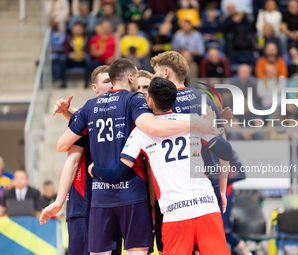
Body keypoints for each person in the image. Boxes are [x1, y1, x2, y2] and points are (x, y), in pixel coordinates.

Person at [56, 58, 215, 255]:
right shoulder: (136, 105)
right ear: (130, 78)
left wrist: (74, 116)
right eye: (138, 85)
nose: (140, 90)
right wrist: (197, 123)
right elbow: (152, 126)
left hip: (102, 196)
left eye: (146, 87)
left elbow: (61, 144)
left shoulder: (90, 107)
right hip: (138, 194)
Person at [88, 77, 232, 255]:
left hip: (175, 214)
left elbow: (117, 174)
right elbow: (226, 153)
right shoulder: (192, 121)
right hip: (207, 206)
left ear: (150, 101)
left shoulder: (141, 132)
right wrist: (213, 130)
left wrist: (93, 169)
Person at [40, 65, 123, 255]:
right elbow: (71, 158)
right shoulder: (88, 117)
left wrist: (70, 112)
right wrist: (58, 202)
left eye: (113, 80)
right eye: (106, 81)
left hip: (113, 200)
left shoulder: (118, 115)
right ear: (94, 88)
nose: (111, 85)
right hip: (83, 199)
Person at [60, 22, 92, 88]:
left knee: (88, 59)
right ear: (73, 30)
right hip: (72, 60)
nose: (77, 30)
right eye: (76, 29)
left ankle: (86, 83)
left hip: (82, 60)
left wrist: (82, 55)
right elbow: (65, 51)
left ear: (82, 30)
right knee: (62, 59)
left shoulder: (87, 39)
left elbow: (88, 51)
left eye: (79, 29)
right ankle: (63, 82)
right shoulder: (68, 39)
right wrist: (71, 55)